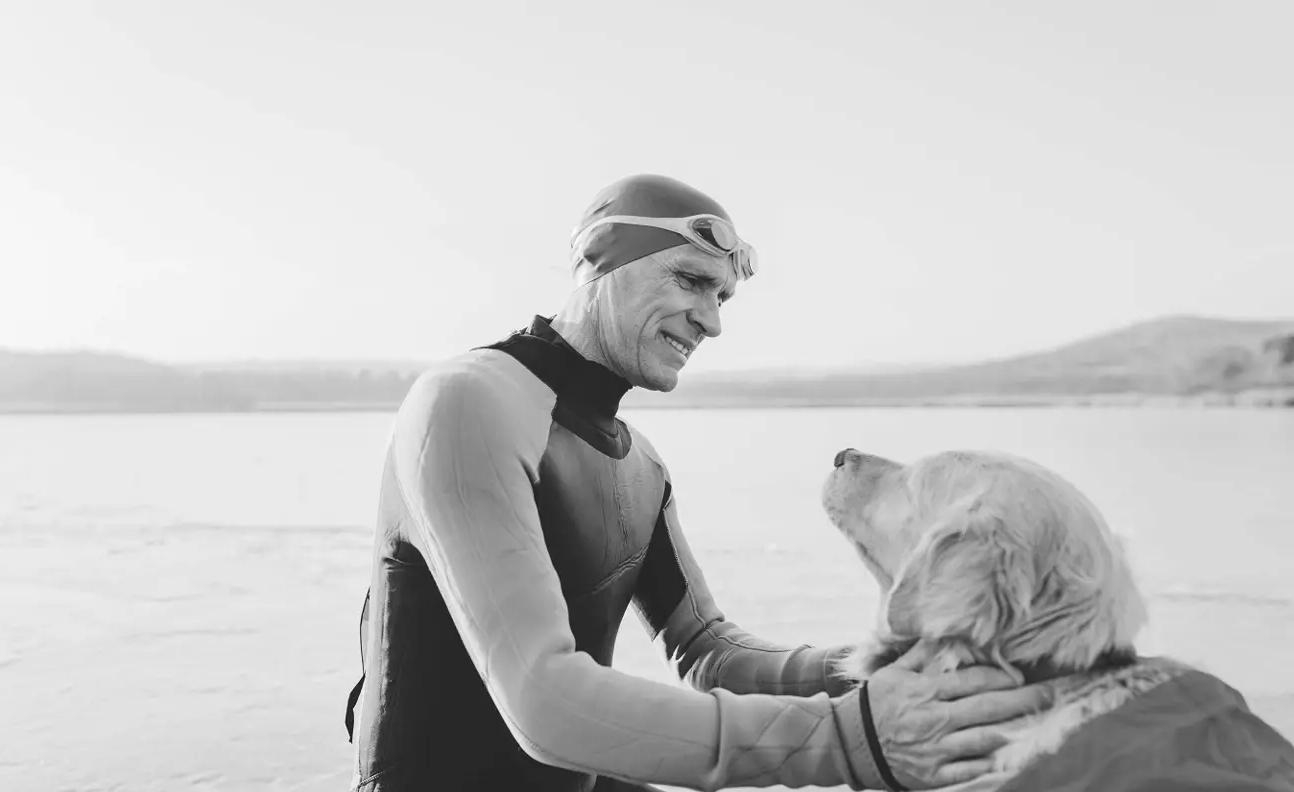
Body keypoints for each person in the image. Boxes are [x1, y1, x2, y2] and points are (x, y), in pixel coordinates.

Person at [344, 174, 1055, 791]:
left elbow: (708, 649)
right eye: (689, 280)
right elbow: (544, 700)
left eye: (722, 297)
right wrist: (853, 737)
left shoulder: (642, 465)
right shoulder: (470, 403)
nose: (711, 322)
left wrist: (888, 666)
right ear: (596, 261)